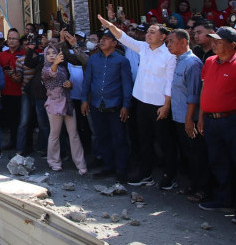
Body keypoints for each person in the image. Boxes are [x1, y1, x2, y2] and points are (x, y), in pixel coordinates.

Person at [97, 15, 176, 188]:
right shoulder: (144, 48)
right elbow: (123, 38)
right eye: (148, 31)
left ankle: (170, 176)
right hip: (141, 102)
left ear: (163, 37)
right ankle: (145, 173)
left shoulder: (169, 55)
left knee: (164, 142)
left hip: (159, 105)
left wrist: (166, 105)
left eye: (153, 32)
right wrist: (110, 26)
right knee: (144, 140)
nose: (148, 34)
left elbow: (170, 83)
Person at [81, 30, 132, 184]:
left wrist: (126, 105)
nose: (102, 41)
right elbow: (87, 81)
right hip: (97, 104)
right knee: (102, 137)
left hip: (115, 105)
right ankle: (108, 166)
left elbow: (126, 84)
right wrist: (84, 100)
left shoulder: (122, 61)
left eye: (106, 39)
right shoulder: (93, 59)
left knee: (119, 138)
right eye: (101, 38)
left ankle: (121, 170)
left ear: (115, 43)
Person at [165, 29, 210, 202]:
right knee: (188, 155)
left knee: (197, 155)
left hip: (189, 118)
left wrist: (189, 119)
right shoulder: (177, 61)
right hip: (178, 117)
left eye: (171, 41)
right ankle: (194, 185)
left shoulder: (192, 63)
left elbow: (194, 95)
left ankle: (203, 189)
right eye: (167, 42)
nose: (168, 45)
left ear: (184, 42)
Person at [197, 26, 236, 215]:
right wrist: (201, 116)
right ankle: (224, 199)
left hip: (231, 120)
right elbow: (205, 90)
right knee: (217, 160)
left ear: (232, 45)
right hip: (211, 121)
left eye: (219, 41)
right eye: (213, 39)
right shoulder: (210, 61)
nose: (214, 43)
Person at [41, 44, 87, 175]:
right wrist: (55, 63)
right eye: (48, 53)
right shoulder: (45, 69)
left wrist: (69, 84)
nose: (51, 55)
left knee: (74, 134)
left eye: (53, 53)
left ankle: (80, 163)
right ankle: (54, 162)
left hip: (68, 102)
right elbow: (50, 74)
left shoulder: (63, 68)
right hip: (54, 103)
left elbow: (67, 82)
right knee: (54, 134)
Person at [0, 28, 25, 150]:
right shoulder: (2, 55)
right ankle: (12, 142)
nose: (12, 41)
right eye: (9, 39)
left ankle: (22, 145)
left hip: (21, 93)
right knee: (10, 120)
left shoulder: (24, 54)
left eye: (14, 39)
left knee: (22, 121)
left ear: (19, 41)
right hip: (6, 92)